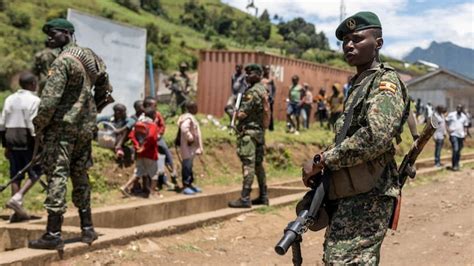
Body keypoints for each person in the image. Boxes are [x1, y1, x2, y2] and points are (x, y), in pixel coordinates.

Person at [302, 11, 409, 264]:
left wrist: (323, 159)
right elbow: (349, 137)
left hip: (369, 195)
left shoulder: (385, 82)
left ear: (378, 44)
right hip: (351, 191)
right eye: (345, 40)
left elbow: (376, 135)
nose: (349, 45)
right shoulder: (359, 84)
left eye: (357, 39)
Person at [29, 18, 112, 250]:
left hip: (63, 129)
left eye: (53, 34)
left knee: (58, 174)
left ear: (67, 34)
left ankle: (53, 234)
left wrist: (39, 125)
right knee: (80, 175)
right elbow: (106, 90)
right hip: (85, 130)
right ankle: (88, 228)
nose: (49, 38)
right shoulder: (92, 58)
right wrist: (89, 109)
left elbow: (48, 102)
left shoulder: (63, 61)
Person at [0, 72, 42, 222]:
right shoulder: (35, 100)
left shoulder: (9, 99)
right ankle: (18, 198)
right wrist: (39, 145)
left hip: (11, 138)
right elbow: (33, 125)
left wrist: (5, 145)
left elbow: (2, 124)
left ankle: (17, 212)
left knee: (16, 174)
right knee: (37, 170)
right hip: (27, 140)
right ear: (32, 85)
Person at [228, 64, 269, 208]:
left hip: (249, 134)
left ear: (258, 74)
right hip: (259, 133)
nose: (246, 76)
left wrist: (231, 111)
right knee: (258, 166)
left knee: (248, 165)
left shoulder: (252, 92)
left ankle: (245, 198)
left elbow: (242, 114)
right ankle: (264, 196)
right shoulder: (263, 90)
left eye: (250, 73)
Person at [121, 108, 161, 198]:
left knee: (138, 172)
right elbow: (151, 137)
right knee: (154, 173)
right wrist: (144, 147)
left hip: (140, 153)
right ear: (154, 116)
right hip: (150, 153)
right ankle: (152, 193)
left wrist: (137, 146)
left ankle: (125, 187)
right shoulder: (153, 125)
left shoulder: (138, 123)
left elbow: (131, 135)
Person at [142, 96, 179, 191]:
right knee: (156, 161)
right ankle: (161, 181)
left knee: (166, 151)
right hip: (149, 141)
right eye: (155, 105)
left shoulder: (157, 115)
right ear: (147, 106)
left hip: (158, 138)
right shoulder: (143, 117)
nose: (156, 107)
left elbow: (162, 125)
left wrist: (159, 134)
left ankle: (173, 168)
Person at [176, 102, 203, 195]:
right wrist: (190, 137)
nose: (197, 109)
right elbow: (184, 128)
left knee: (189, 165)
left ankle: (190, 184)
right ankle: (186, 185)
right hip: (188, 146)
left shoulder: (189, 117)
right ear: (191, 108)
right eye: (195, 107)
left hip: (190, 147)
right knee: (187, 165)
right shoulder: (188, 118)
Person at [446, 104, 469, 171]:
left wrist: (465, 133)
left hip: (461, 135)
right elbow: (446, 121)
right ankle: (454, 165)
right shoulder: (452, 115)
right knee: (455, 149)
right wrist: (447, 129)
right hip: (453, 134)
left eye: (460, 108)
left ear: (462, 109)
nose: (459, 109)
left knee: (459, 150)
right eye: (458, 108)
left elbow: (465, 126)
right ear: (456, 108)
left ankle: (457, 163)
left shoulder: (464, 117)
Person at [262, 65, 276, 131]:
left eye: (267, 69)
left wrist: (273, 96)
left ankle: (270, 127)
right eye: (265, 69)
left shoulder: (271, 79)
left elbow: (274, 88)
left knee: (270, 112)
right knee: (263, 112)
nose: (266, 71)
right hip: (263, 97)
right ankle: (264, 126)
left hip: (270, 98)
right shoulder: (261, 78)